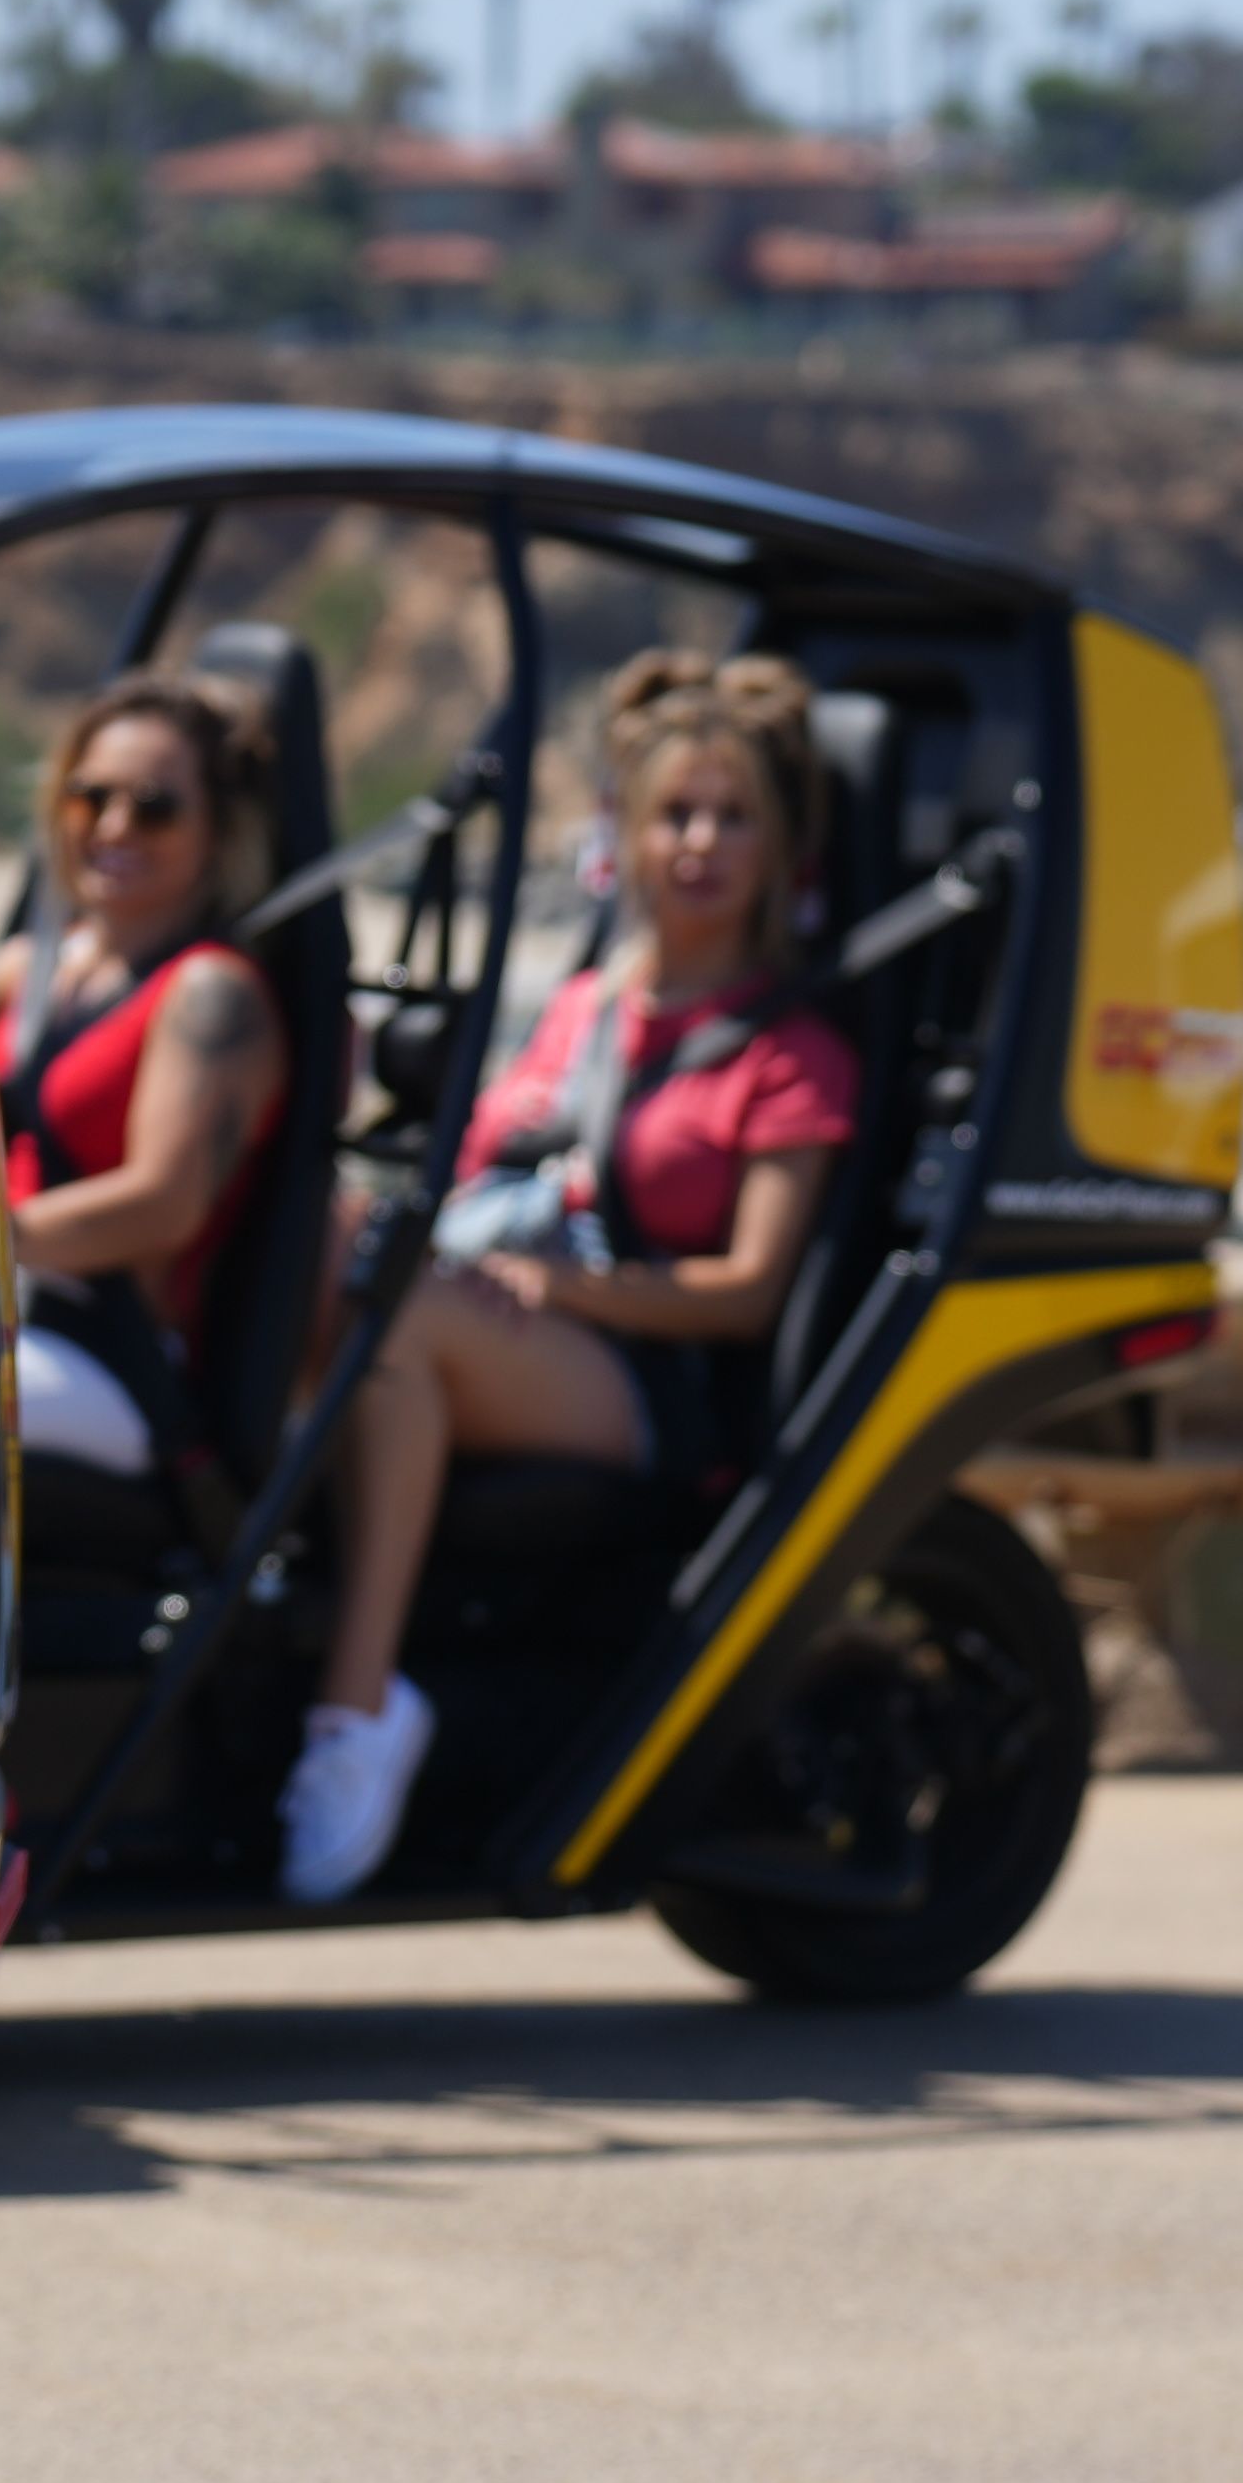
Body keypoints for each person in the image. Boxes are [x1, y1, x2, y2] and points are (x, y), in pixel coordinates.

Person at [273, 647, 862, 1906]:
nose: (699, 844)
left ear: (779, 846)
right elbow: (482, 1174)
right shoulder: (584, 1006)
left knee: (407, 1335)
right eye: (674, 816)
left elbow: (748, 1290)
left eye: (732, 819)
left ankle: (359, 1707)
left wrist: (564, 1294)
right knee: (307, 1246)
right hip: (506, 1306)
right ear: (625, 836)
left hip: (651, 1377)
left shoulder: (789, 1053)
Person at [0, 670, 292, 1480]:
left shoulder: (210, 992)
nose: (115, 825)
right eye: (91, 797)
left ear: (217, 831)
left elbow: (164, 1205)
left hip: (105, 1354)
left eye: (155, 806)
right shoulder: (28, 968)